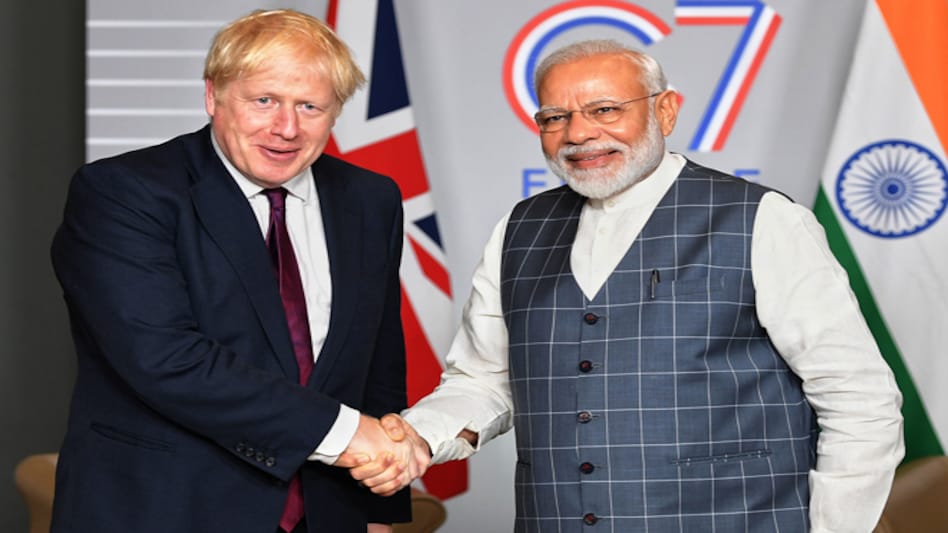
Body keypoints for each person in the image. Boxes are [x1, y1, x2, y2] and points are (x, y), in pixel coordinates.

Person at [352, 40, 905, 532]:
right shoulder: (517, 230)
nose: (579, 134)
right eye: (554, 117)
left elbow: (859, 400)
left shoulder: (761, 220)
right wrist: (419, 436)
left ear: (665, 111)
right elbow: (485, 380)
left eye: (605, 110)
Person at [49, 9, 426, 533]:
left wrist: (380, 510)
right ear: (214, 97)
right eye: (264, 100)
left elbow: (379, 359)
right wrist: (347, 434)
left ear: (336, 112)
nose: (286, 128)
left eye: (310, 105)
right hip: (165, 510)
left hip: (329, 514)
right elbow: (166, 359)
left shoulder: (369, 198)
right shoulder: (123, 192)